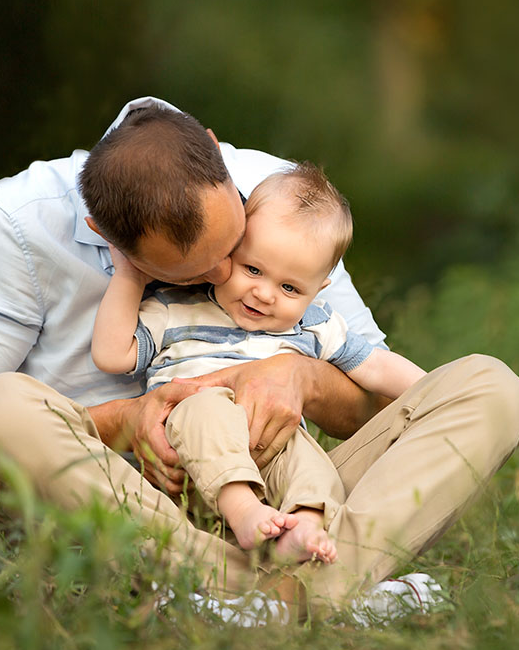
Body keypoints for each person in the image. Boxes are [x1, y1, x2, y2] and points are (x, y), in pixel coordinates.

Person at [0, 97, 519, 617]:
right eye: (192, 271)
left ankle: (254, 592)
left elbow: (375, 404)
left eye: (233, 247)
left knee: (492, 386)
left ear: (219, 158)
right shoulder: (15, 223)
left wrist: (304, 377)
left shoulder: (284, 199)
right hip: (116, 503)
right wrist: (126, 420)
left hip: (283, 482)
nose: (232, 281)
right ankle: (315, 590)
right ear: (106, 235)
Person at [90, 162, 426, 566]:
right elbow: (112, 356)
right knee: (204, 407)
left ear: (319, 289)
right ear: (230, 249)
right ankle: (243, 510)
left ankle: (305, 523)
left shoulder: (314, 324)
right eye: (253, 269)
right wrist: (130, 274)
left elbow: (377, 369)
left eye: (289, 287)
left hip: (273, 450)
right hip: (190, 459)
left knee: (307, 455)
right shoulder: (178, 310)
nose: (264, 294)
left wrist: (437, 392)